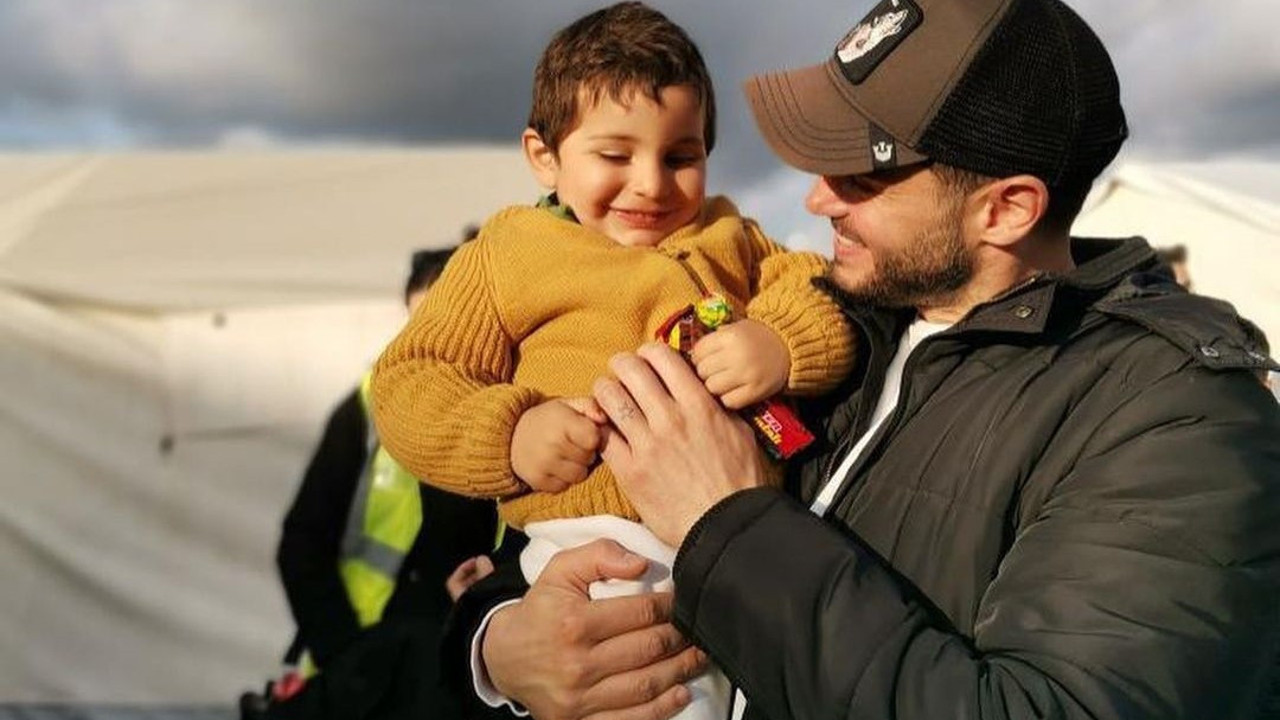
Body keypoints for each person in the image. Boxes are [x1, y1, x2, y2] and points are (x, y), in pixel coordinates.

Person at [462, 0, 1280, 719]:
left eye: (865, 172)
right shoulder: (825, 329)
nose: (818, 197)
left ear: (1006, 209)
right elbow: (571, 528)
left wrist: (730, 524)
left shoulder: (1179, 422)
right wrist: (498, 646)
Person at [370, 4, 857, 717]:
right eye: (615, 155)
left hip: (741, 544)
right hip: (600, 552)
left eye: (680, 156)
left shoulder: (732, 234)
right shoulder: (510, 253)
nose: (652, 184)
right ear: (545, 157)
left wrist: (782, 343)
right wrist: (510, 434)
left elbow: (820, 289)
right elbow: (411, 379)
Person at [269, 240, 503, 720]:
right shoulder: (370, 405)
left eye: (443, 328)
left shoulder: (527, 412)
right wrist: (348, 658)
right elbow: (302, 542)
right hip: (362, 676)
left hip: (473, 681)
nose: (428, 349)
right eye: (415, 327)